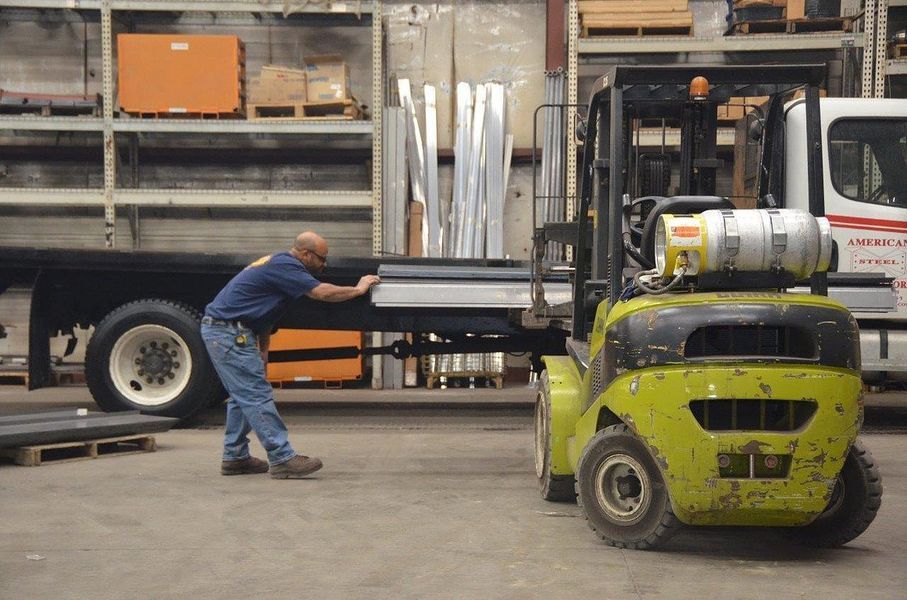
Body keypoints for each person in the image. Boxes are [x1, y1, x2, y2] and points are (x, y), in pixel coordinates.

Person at [200, 232, 381, 479]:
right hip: (227, 332)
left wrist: (263, 348)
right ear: (306, 254)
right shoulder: (286, 265)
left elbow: (263, 311)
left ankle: (235, 457)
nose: (325, 264)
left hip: (230, 331)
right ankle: (282, 458)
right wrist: (359, 289)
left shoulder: (278, 264)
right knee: (255, 394)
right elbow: (322, 293)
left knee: (242, 396)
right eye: (322, 258)